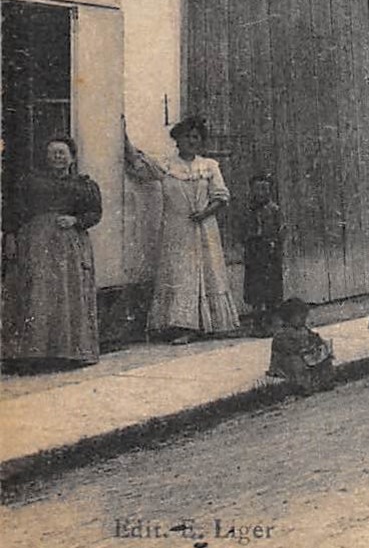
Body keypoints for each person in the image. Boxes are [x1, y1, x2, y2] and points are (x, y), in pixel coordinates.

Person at [125, 117, 238, 344]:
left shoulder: (209, 166)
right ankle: (182, 327)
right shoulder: (167, 165)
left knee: (209, 272)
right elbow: (139, 163)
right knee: (180, 275)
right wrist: (124, 138)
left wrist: (205, 213)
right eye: (186, 136)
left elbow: (221, 196)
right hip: (177, 229)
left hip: (205, 227)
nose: (191, 141)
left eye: (196, 137)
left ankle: (211, 324)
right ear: (177, 139)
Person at [1, 136, 102, 370]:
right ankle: (31, 354)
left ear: (72, 157)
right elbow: (13, 212)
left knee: (66, 294)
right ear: (46, 158)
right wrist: (11, 237)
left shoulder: (84, 185)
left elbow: (95, 213)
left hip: (68, 248)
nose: (57, 157)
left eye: (62, 153)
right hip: (35, 245)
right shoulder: (31, 183)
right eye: (53, 153)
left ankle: (67, 353)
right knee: (37, 293)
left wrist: (76, 219)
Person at [239, 173, 283, 337]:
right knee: (255, 290)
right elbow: (243, 231)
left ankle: (271, 323)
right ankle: (257, 324)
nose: (261, 193)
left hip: (269, 254)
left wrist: (274, 246)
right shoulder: (248, 211)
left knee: (271, 289)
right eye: (257, 189)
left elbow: (279, 231)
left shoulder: (274, 210)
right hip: (254, 254)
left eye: (265, 189)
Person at [267, 298, 334, 395]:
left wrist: (318, 342)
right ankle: (303, 386)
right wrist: (304, 349)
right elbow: (288, 348)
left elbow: (313, 337)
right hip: (285, 362)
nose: (303, 319)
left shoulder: (303, 329)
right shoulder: (282, 333)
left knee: (325, 356)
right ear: (289, 318)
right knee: (296, 362)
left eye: (304, 317)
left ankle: (325, 381)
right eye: (300, 317)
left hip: (304, 355)